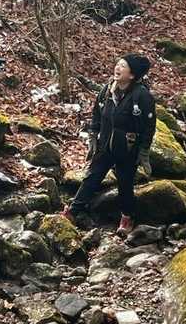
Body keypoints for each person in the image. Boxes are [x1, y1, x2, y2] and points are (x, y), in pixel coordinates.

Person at [66, 53, 156, 235]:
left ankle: (127, 217)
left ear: (132, 75)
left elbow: (149, 126)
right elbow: (96, 115)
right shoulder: (107, 90)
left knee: (125, 184)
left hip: (127, 148)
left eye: (123, 66)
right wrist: (93, 136)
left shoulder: (142, 96)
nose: (117, 68)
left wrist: (143, 152)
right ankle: (73, 212)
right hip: (105, 144)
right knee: (92, 177)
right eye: (118, 64)